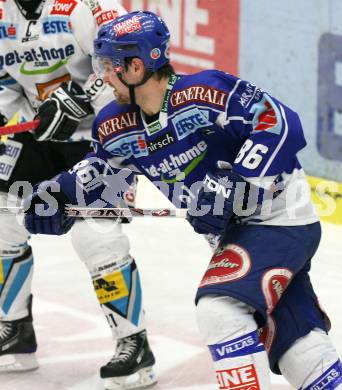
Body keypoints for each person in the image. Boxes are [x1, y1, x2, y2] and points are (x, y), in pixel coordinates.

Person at [23, 10, 342, 390]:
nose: (102, 76)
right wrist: (58, 197)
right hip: (237, 238)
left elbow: (279, 122)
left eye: (108, 65)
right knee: (297, 346)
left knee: (221, 309)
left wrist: (237, 183)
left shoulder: (205, 92)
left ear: (136, 65)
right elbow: (98, 175)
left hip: (278, 219)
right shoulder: (115, 124)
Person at [0, 2, 157, 389]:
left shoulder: (89, 5)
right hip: (41, 133)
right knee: (1, 217)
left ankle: (133, 343)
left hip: (108, 133)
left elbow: (128, 60)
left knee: (95, 235)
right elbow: (4, 80)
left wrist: (81, 95)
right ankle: (14, 329)